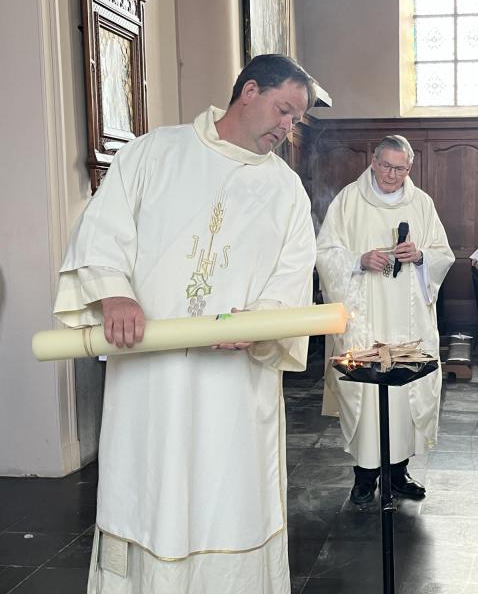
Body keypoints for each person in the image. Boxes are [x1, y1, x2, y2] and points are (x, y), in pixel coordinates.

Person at [52, 55, 318, 593]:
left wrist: (262, 323)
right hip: (151, 378)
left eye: (296, 120)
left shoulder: (286, 190)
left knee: (230, 496)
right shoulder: (156, 151)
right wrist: (116, 295)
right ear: (248, 91)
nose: (287, 128)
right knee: (148, 487)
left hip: (235, 387)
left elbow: (293, 274)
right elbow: (105, 227)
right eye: (283, 110)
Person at [316, 135, 454, 505]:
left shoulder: (421, 203)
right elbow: (325, 252)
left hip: (408, 320)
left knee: (404, 393)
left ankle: (399, 472)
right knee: (365, 392)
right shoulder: (348, 200)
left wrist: (422, 255)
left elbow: (444, 254)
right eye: (387, 165)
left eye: (401, 168)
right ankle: (364, 477)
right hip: (365, 317)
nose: (393, 174)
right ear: (373, 161)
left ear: (409, 168)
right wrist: (359, 261)